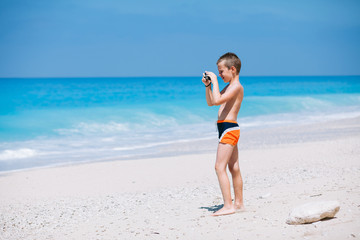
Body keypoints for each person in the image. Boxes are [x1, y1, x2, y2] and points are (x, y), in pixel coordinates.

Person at [202, 52, 245, 216]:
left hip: (229, 128)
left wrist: (214, 81)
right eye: (218, 73)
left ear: (232, 69)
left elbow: (218, 100)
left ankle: (228, 205)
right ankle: (239, 203)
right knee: (233, 168)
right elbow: (212, 102)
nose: (219, 75)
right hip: (227, 128)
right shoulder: (229, 87)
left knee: (219, 167)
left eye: (221, 72)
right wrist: (208, 87)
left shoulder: (236, 87)